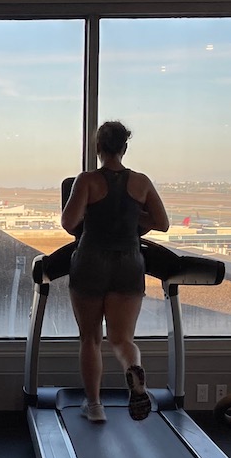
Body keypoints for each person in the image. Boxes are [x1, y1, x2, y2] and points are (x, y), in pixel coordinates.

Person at [60, 121, 170, 424]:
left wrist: (92, 211)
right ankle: (132, 370)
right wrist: (135, 215)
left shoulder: (87, 180)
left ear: (98, 148)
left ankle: (94, 405)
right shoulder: (141, 182)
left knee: (90, 338)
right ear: (124, 148)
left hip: (90, 260)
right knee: (122, 339)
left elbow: (69, 223)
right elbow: (162, 224)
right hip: (129, 262)